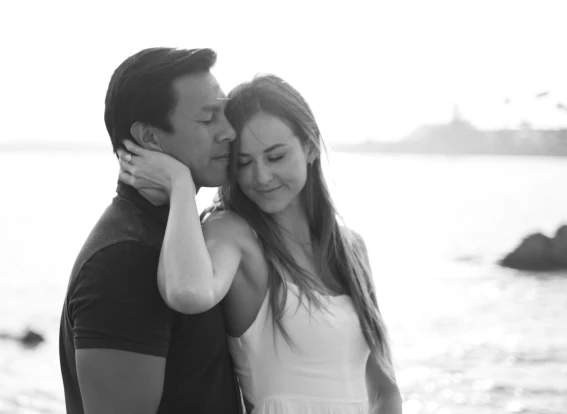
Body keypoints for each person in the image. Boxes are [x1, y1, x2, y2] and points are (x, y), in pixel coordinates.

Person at [118, 74, 403, 414]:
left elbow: (386, 392)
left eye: (276, 156)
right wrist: (180, 184)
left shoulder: (351, 248)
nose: (261, 177)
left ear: (310, 146)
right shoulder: (233, 233)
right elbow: (188, 292)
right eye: (244, 163)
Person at [59, 47, 243, 414]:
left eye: (226, 114)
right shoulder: (123, 260)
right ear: (150, 138)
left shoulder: (183, 234)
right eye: (208, 119)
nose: (229, 132)